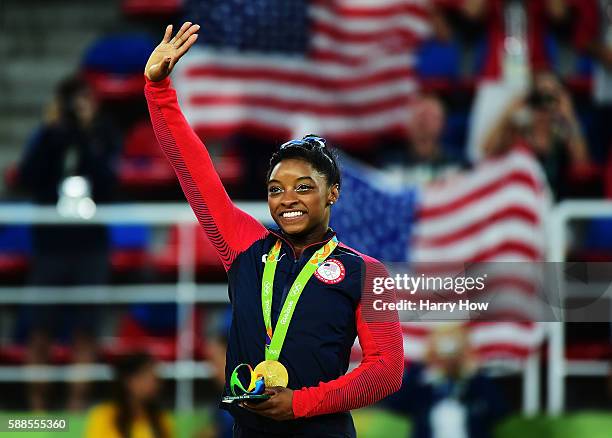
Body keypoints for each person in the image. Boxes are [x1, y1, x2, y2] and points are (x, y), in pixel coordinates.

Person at [143, 22, 403, 437]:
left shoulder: (368, 273)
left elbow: (387, 371)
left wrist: (299, 404)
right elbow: (193, 170)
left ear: (332, 193)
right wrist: (158, 91)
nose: (288, 199)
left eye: (304, 187)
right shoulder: (245, 247)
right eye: (276, 189)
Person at [15, 75, 121, 411]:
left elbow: (109, 185)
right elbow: (26, 178)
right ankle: (37, 412)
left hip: (89, 245)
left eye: (85, 99)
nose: (79, 108)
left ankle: (76, 408)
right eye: (74, 101)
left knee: (86, 331)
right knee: (39, 330)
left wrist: (88, 137)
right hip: (50, 246)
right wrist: (53, 135)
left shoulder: (103, 135)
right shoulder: (48, 136)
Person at [481, 72, 593, 199]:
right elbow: (487, 150)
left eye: (551, 96)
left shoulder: (563, 135)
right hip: (522, 202)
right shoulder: (519, 132)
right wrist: (514, 107)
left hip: (556, 209)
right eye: (539, 94)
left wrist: (569, 116)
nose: (544, 102)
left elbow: (582, 168)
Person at [384, 324, 507, 438]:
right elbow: (395, 405)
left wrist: (475, 378)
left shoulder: (477, 380)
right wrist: (424, 376)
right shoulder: (420, 377)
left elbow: (499, 411)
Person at [84, 352, 174, 438]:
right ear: (129, 381)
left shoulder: (161, 420)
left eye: (155, 378)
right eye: (147, 377)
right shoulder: (103, 417)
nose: (155, 384)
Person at [379, 95, 463, 186]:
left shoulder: (457, 164)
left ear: (443, 124)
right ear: (408, 123)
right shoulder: (390, 163)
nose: (424, 123)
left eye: (431, 117)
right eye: (420, 116)